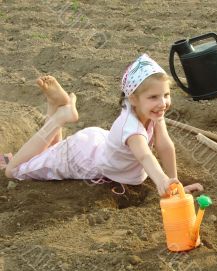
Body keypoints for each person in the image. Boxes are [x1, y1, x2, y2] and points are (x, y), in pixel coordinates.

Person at [4, 54, 202, 197]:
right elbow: (144, 155)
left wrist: (173, 183)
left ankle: (58, 107)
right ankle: (59, 116)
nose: (162, 102)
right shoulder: (131, 128)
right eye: (154, 97)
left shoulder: (153, 112)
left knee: (52, 152)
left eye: (166, 95)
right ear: (133, 99)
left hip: (93, 145)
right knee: (14, 171)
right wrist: (161, 180)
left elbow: (165, 146)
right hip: (81, 158)